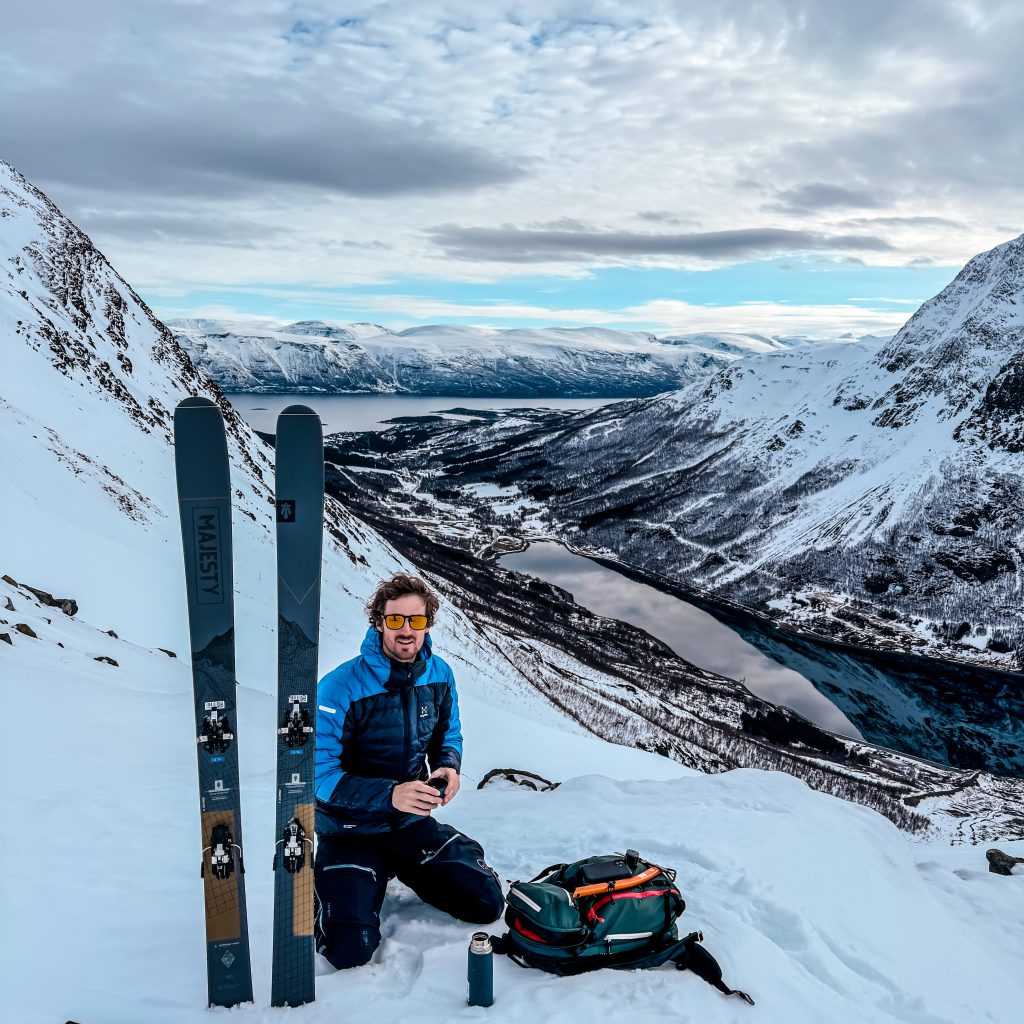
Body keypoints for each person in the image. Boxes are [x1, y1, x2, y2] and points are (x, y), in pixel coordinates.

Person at [313, 572, 504, 969]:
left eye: (415, 620)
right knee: (348, 951)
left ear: (427, 624)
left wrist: (449, 768)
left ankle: (428, 858)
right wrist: (389, 794)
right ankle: (340, 884)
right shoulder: (339, 686)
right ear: (379, 621)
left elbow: (448, 734)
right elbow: (321, 776)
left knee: (486, 903)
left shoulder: (438, 675)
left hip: (408, 825)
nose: (405, 630)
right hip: (351, 832)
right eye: (395, 619)